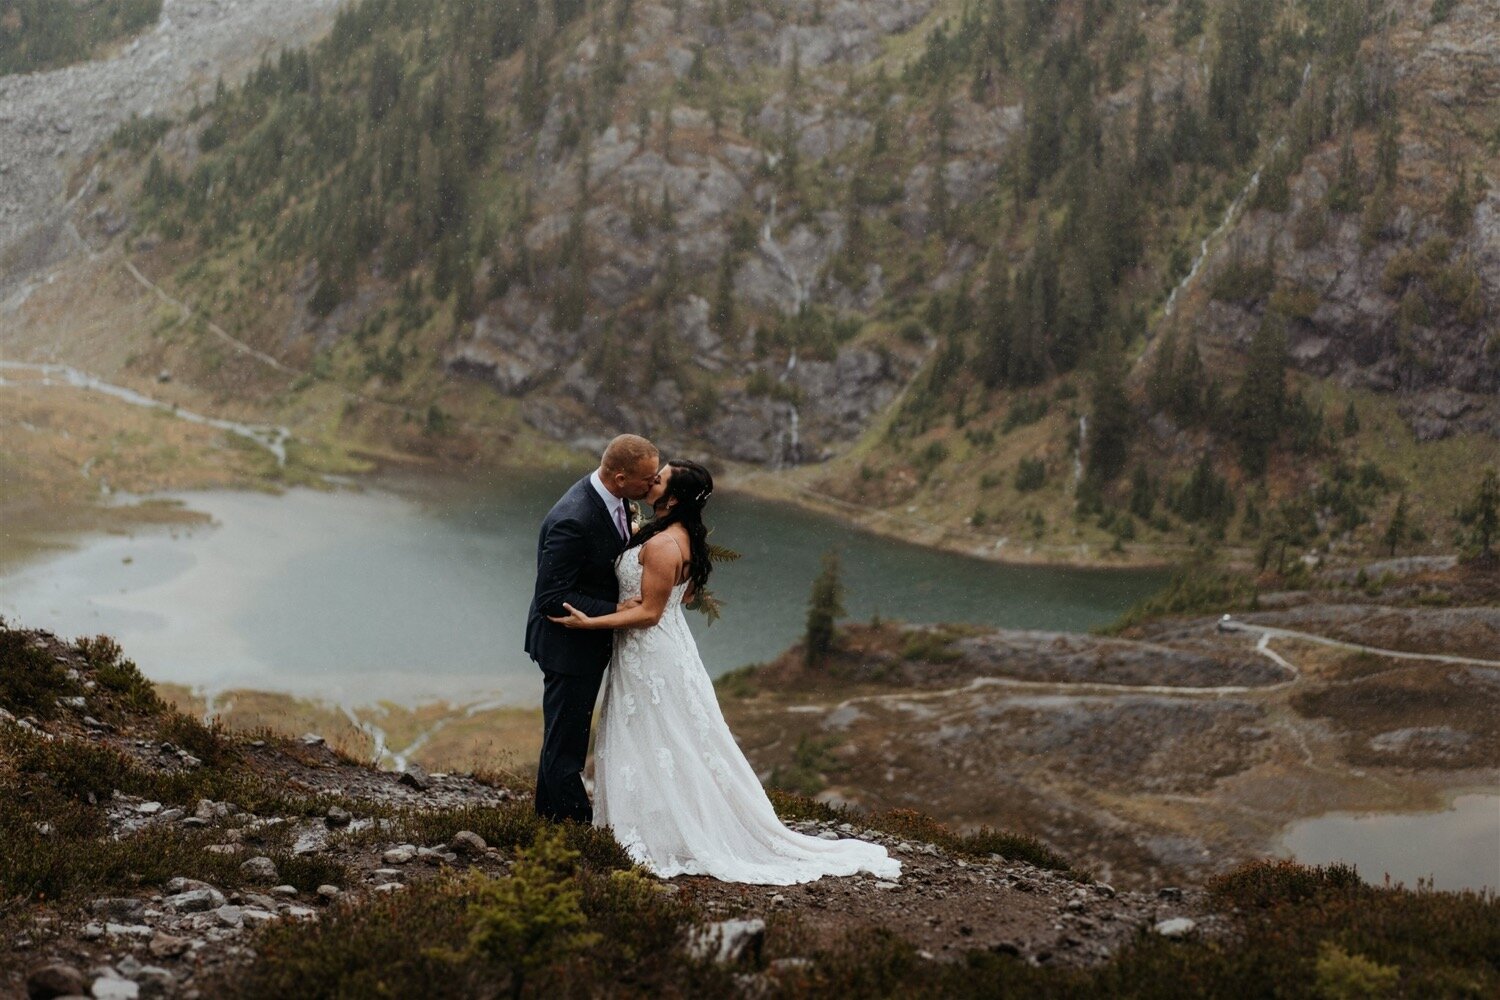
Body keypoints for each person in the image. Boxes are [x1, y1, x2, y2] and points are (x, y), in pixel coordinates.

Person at [549, 459, 900, 885]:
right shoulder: (681, 537)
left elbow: (650, 614)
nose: (650, 482)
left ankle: (662, 833)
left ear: (673, 498)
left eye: (657, 479)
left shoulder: (662, 544)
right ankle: (660, 824)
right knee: (664, 739)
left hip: (650, 653)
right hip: (661, 651)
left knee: (656, 736)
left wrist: (591, 622)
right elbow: (685, 594)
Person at [526, 433, 659, 823]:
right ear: (619, 478)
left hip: (583, 644)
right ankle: (575, 827)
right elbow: (551, 596)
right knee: (566, 742)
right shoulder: (574, 518)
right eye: (646, 480)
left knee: (563, 736)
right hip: (567, 646)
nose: (651, 486)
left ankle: (549, 821)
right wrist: (615, 608)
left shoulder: (612, 499)